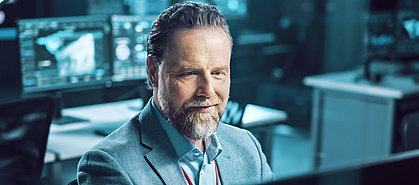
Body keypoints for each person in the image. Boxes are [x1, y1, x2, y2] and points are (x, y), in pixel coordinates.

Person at [76, 2, 275, 184]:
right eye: (189, 73)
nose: (207, 90)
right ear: (154, 72)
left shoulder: (248, 148)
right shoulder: (109, 165)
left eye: (217, 73)